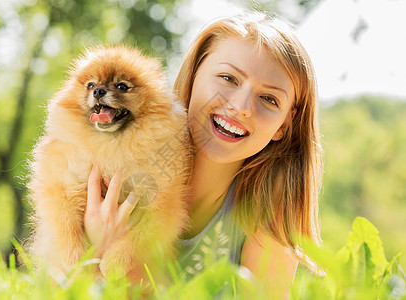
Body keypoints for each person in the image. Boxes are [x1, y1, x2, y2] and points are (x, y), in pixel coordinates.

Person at [84, 11, 323, 298]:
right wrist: (100, 250)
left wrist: (127, 261)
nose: (241, 106)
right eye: (228, 78)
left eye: (269, 99)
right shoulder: (118, 164)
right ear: (194, 75)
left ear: (284, 125)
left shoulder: (268, 212)